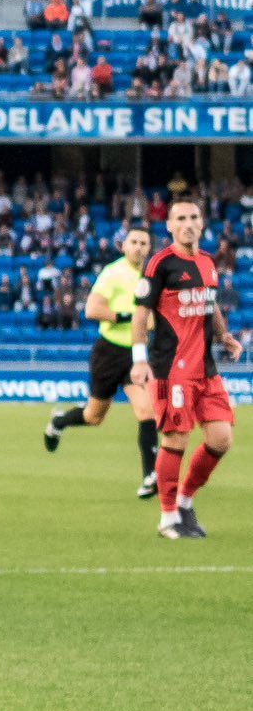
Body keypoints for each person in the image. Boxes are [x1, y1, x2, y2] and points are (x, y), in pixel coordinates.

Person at [131, 197, 241, 540]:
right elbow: (139, 315)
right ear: (170, 225)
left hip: (206, 369)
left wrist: (225, 336)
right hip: (172, 369)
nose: (188, 223)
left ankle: (186, 500)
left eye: (194, 217)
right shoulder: (160, 264)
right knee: (175, 440)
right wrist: (138, 359)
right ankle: (167, 518)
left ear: (202, 222)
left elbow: (210, 304)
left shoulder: (208, 263)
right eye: (181, 218)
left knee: (221, 439)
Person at [43, 224, 159, 496]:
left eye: (144, 243)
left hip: (137, 354)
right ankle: (59, 421)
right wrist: (129, 318)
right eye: (134, 242)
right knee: (94, 416)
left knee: (147, 411)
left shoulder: (154, 274)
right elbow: (93, 309)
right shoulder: (113, 272)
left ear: (149, 248)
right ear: (124, 245)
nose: (139, 247)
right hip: (109, 353)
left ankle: (150, 476)